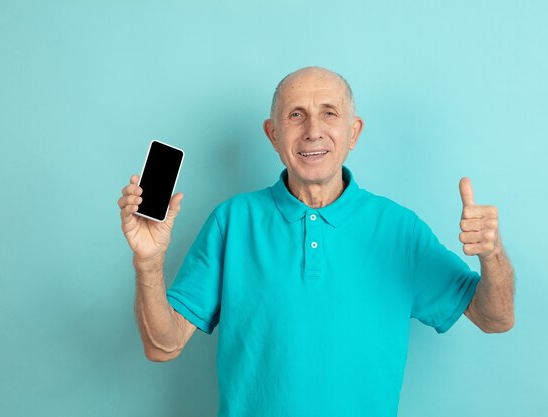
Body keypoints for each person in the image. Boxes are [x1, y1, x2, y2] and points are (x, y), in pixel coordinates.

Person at [117, 66, 515, 416]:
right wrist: (148, 264)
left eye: (330, 113)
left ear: (353, 131)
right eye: (296, 115)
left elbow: (494, 318)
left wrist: (493, 255)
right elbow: (162, 346)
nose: (313, 131)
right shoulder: (232, 221)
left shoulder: (400, 228)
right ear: (273, 135)